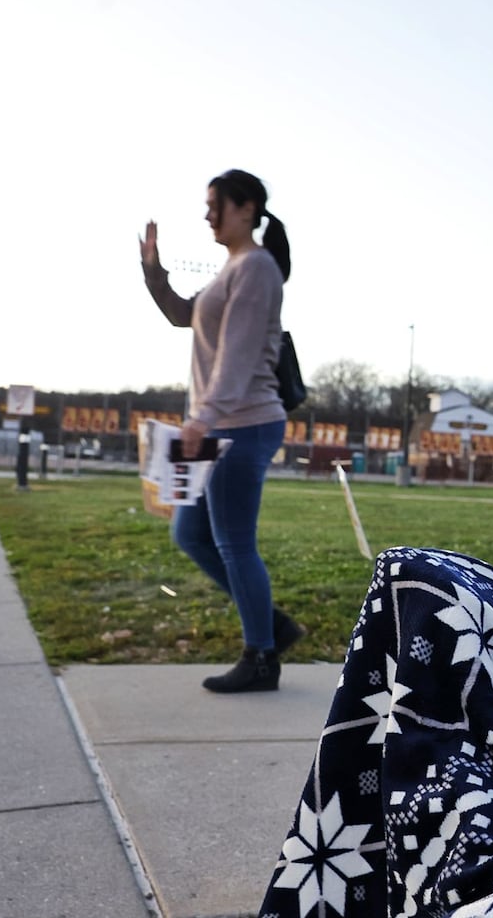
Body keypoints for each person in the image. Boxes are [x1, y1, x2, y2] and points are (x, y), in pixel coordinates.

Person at [139, 168, 305, 693]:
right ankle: (272, 626)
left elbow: (234, 358)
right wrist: (153, 274)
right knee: (188, 533)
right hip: (215, 425)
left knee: (234, 543)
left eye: (216, 204)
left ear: (247, 208)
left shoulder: (255, 268)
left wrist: (201, 418)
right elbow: (182, 316)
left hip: (243, 424)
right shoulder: (230, 269)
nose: (207, 213)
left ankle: (261, 658)